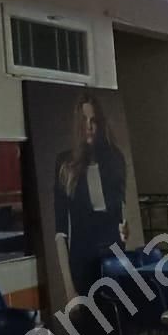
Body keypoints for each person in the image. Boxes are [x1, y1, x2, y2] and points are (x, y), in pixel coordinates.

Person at [52, 92, 127, 298]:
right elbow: (60, 232)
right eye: (84, 120)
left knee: (117, 314)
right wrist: (69, 290)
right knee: (89, 317)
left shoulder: (115, 159)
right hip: (83, 262)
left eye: (93, 120)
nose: (89, 127)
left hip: (114, 258)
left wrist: (122, 243)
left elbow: (121, 213)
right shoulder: (65, 164)